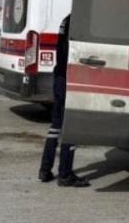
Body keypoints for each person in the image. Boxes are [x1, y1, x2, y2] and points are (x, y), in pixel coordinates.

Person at [38, 14, 90, 187]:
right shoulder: (79, 19)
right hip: (70, 77)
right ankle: (65, 174)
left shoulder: (66, 19)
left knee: (56, 126)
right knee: (70, 126)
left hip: (59, 76)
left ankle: (45, 170)